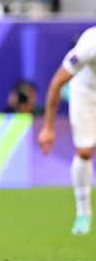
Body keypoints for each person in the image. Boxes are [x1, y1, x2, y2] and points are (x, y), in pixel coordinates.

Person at [38, 27, 96, 236]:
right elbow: (56, 83)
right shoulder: (90, 43)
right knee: (85, 152)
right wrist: (48, 128)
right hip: (86, 96)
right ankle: (83, 212)